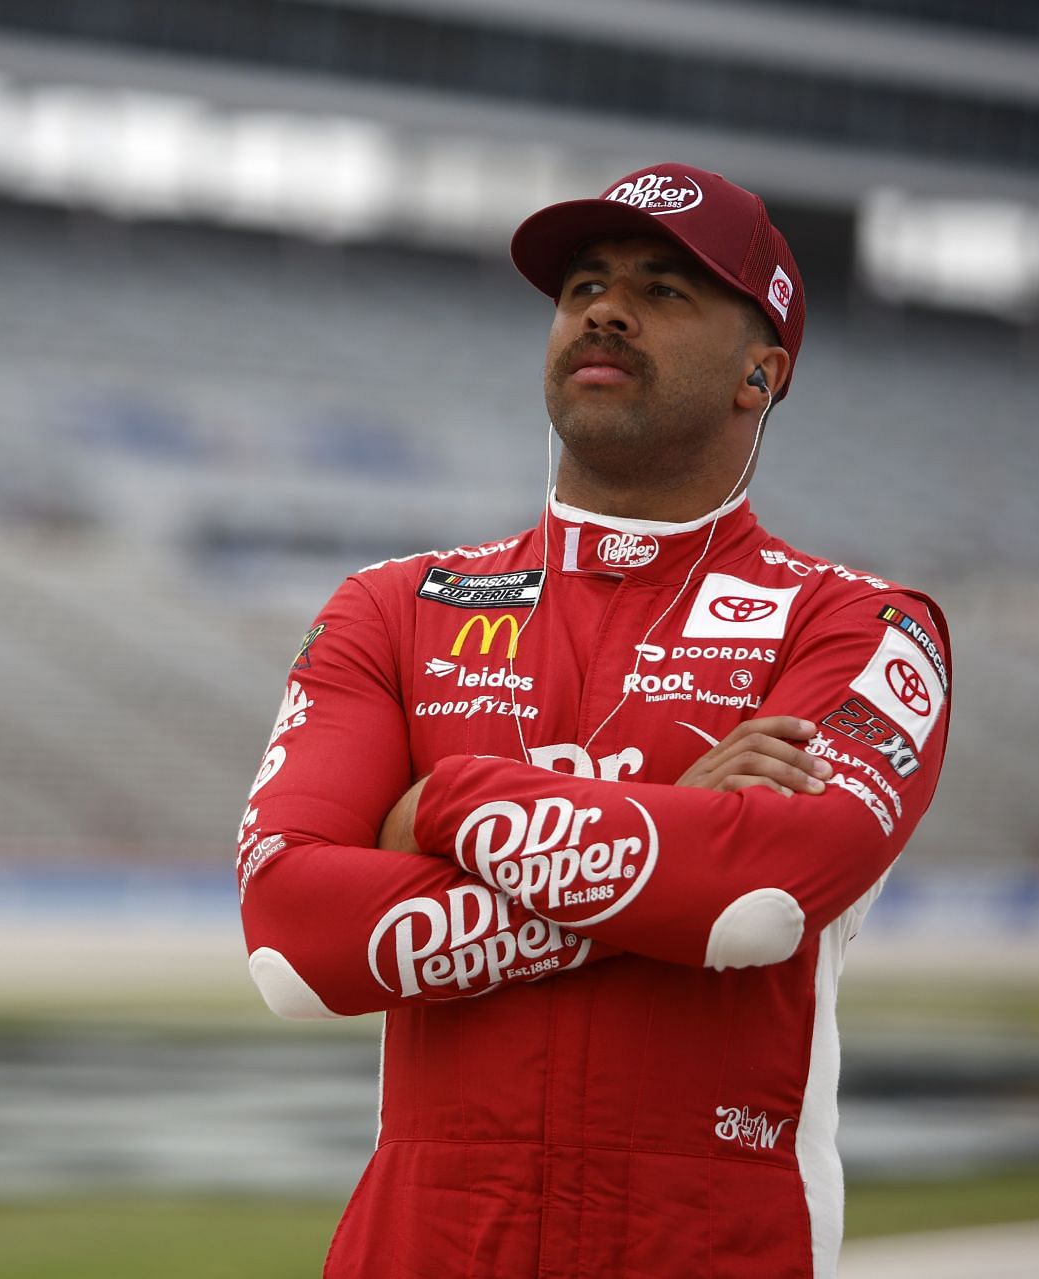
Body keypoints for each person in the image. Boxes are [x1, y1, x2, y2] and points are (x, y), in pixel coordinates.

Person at [234, 162, 952, 1279]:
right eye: (584, 287)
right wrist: (665, 827)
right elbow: (295, 942)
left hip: (705, 1247)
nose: (605, 309)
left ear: (760, 374)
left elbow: (753, 904)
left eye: (665, 290)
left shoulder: (859, 628)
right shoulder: (393, 606)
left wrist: (443, 803)